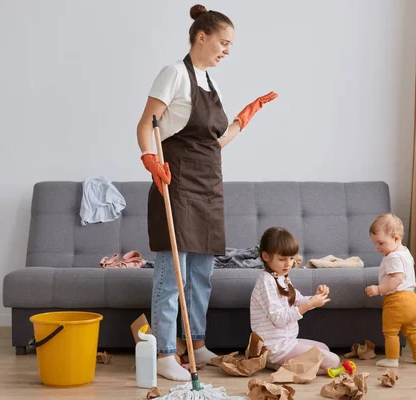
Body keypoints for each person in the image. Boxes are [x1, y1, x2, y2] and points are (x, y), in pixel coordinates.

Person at [136, 4, 278, 381]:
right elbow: (145, 124)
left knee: (201, 275)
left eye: (230, 45)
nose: (227, 50)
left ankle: (195, 344)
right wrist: (150, 159)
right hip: (177, 183)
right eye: (224, 42)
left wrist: (244, 119)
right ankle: (166, 353)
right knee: (173, 276)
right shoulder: (173, 75)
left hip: (209, 188)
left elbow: (214, 143)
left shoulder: (208, 80)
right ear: (202, 36)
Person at [250, 227, 341, 373]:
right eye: (282, 259)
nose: (288, 264)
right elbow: (279, 319)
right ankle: (276, 362)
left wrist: (314, 298)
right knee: (333, 361)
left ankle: (278, 365)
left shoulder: (281, 277)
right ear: (266, 256)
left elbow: (298, 300)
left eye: (291, 258)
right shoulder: (266, 281)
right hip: (275, 347)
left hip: (287, 342)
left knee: (324, 348)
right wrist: (309, 305)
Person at [365, 213, 416, 367]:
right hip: (412, 300)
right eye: (375, 243)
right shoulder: (405, 252)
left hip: (397, 302)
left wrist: (378, 289)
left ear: (396, 238)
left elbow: (396, 279)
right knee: (412, 329)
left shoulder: (393, 257)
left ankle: (392, 359)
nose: (377, 247)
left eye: (381, 243)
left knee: (391, 332)